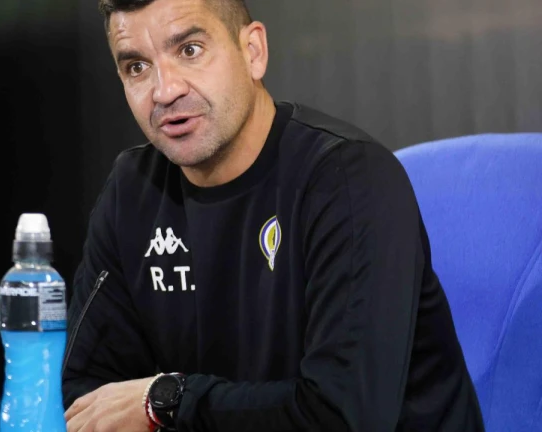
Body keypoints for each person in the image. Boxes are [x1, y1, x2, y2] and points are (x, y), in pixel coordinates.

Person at [62, 0, 485, 430]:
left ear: (253, 52)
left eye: (190, 50)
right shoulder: (133, 190)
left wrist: (168, 402)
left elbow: (343, 417)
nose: (165, 91)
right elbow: (85, 400)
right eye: (136, 67)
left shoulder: (349, 180)